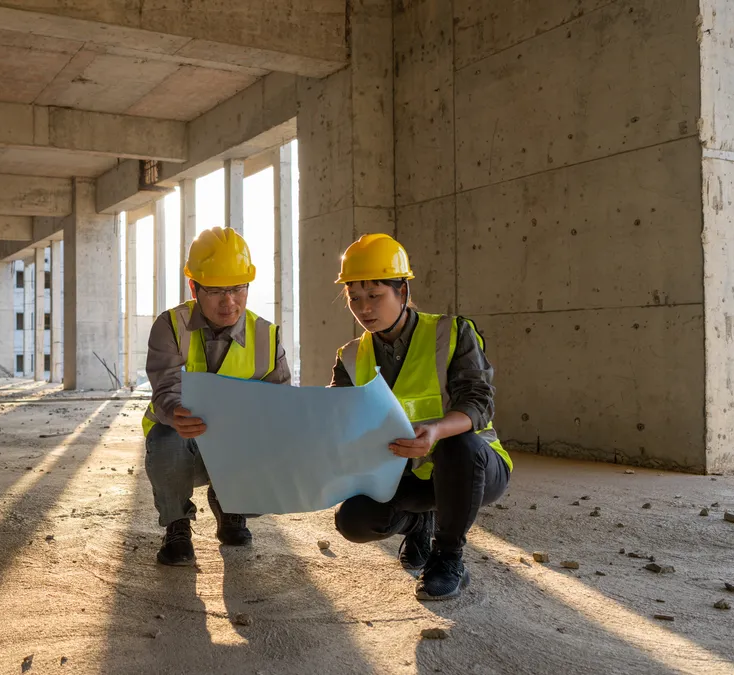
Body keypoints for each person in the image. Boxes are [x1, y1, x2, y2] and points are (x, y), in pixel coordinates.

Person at [328, 233, 512, 600]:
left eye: (375, 296)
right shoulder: (350, 356)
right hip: (405, 474)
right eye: (355, 299)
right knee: (354, 521)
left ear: (403, 291)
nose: (364, 308)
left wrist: (435, 430)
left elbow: (478, 402)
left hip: (470, 469)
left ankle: (447, 557)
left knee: (457, 443)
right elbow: (337, 418)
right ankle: (418, 522)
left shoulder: (452, 333)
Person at [142, 226, 292, 566]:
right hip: (185, 443)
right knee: (167, 440)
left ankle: (231, 505)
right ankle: (177, 524)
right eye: (216, 291)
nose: (230, 302)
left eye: (239, 289)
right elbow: (164, 387)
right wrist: (175, 411)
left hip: (238, 445)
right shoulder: (170, 325)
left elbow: (282, 401)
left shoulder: (266, 335)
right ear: (194, 287)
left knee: (278, 461)